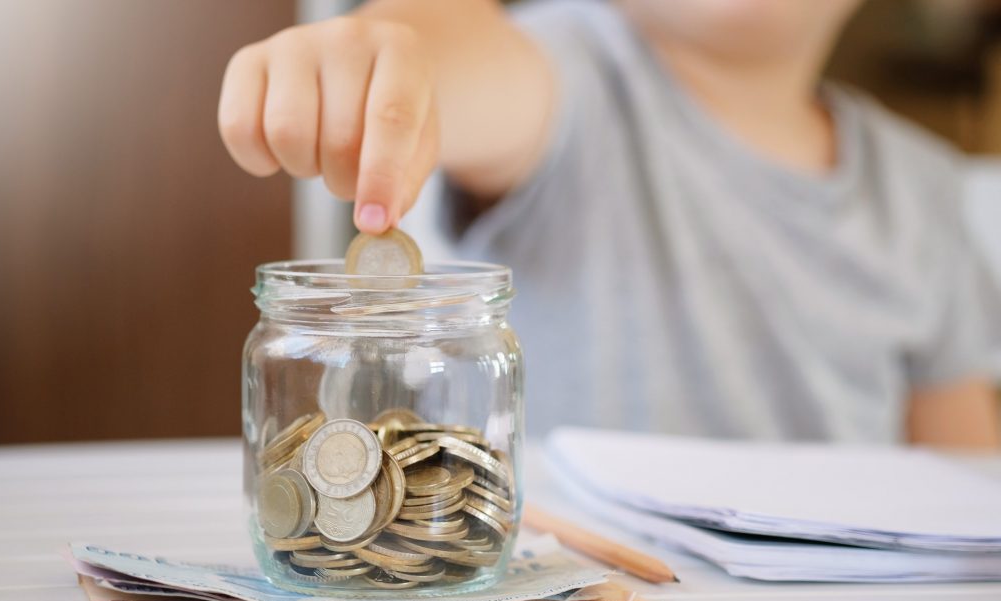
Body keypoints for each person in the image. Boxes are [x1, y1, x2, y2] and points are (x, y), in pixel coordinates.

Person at [217, 0, 1001, 446]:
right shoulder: (574, 74)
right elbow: (468, 62)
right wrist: (399, 51)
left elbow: (961, 482)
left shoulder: (923, 189)